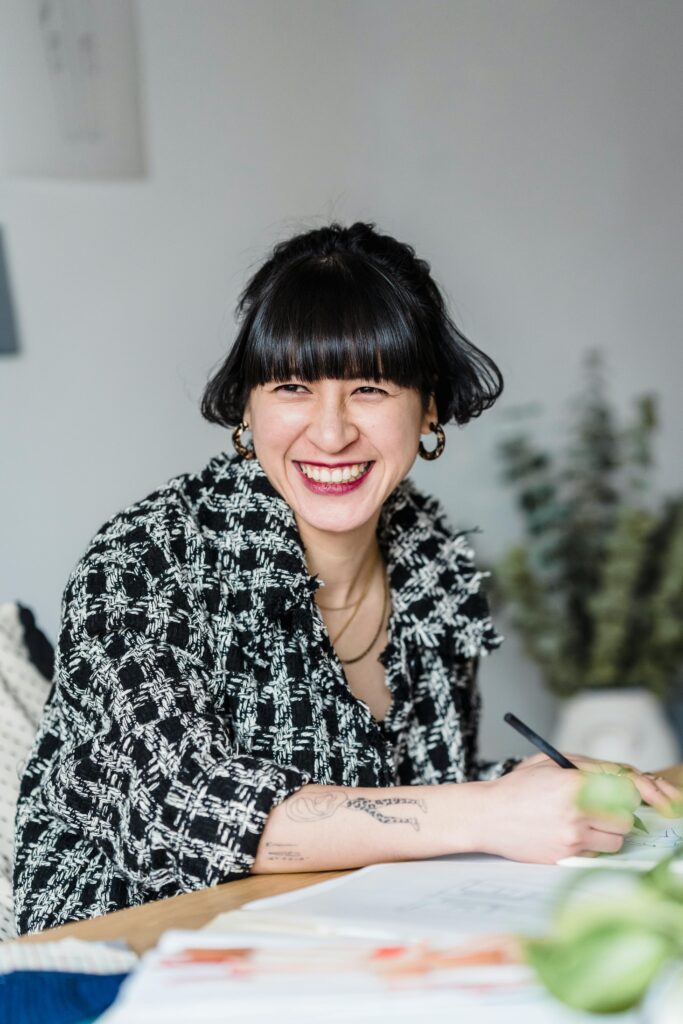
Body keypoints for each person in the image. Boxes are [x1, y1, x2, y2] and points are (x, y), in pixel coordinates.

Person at [14, 221, 682, 935]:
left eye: (368, 387)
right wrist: (488, 812)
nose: (330, 434)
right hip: (118, 954)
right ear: (248, 405)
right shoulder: (142, 560)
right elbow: (181, 807)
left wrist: (527, 786)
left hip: (333, 937)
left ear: (427, 406)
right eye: (293, 386)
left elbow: (403, 791)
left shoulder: (429, 557)